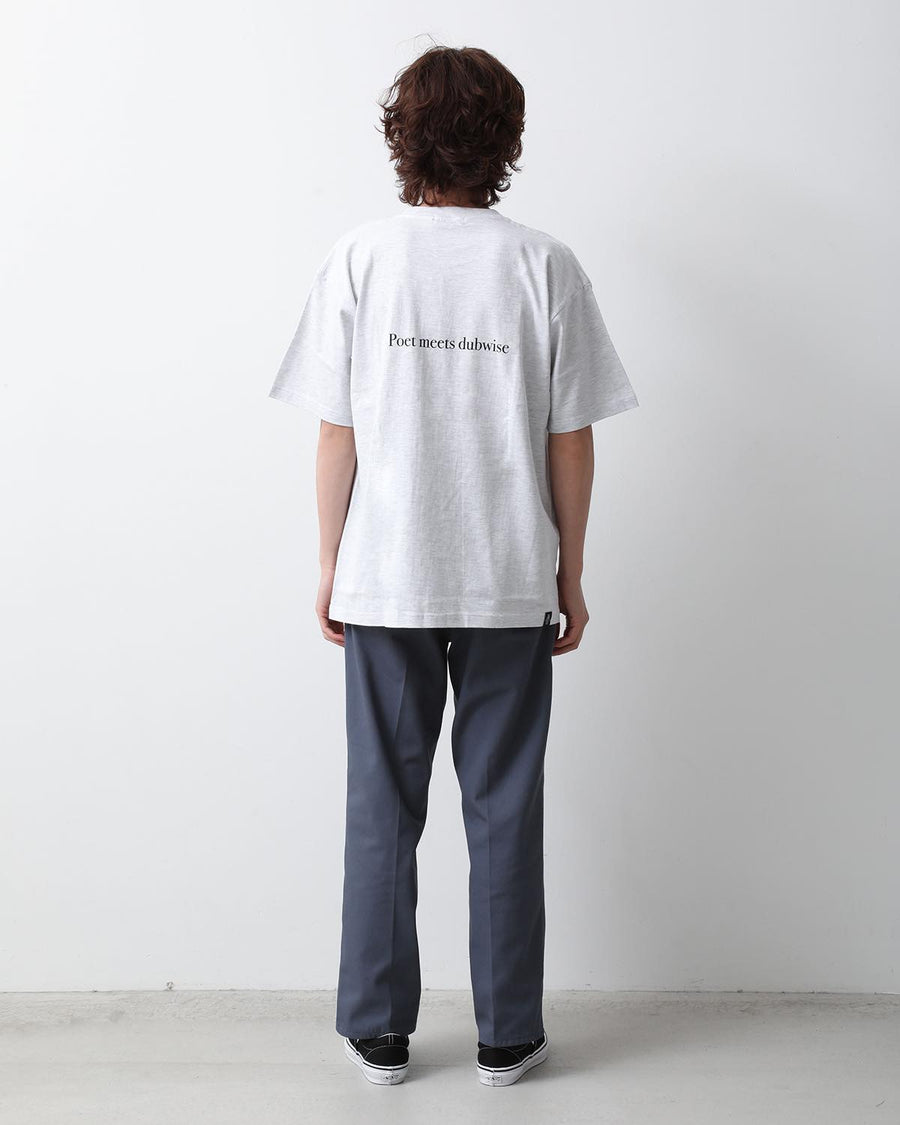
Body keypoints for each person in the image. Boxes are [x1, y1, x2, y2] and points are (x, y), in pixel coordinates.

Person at [269, 44, 639, 1087]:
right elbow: (572, 437)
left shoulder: (362, 257)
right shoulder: (543, 265)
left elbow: (336, 431)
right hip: (508, 574)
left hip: (386, 573)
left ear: (404, 137)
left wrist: (331, 562)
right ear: (505, 141)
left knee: (380, 806)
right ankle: (507, 1034)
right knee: (504, 804)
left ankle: (377, 1029)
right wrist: (570, 573)